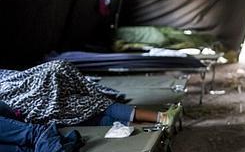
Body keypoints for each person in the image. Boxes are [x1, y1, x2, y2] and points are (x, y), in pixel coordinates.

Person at [0, 60, 181, 126]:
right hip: (32, 104)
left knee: (91, 108)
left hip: (37, 105)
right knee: (96, 103)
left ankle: (151, 121)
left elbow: (16, 77)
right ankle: (160, 118)